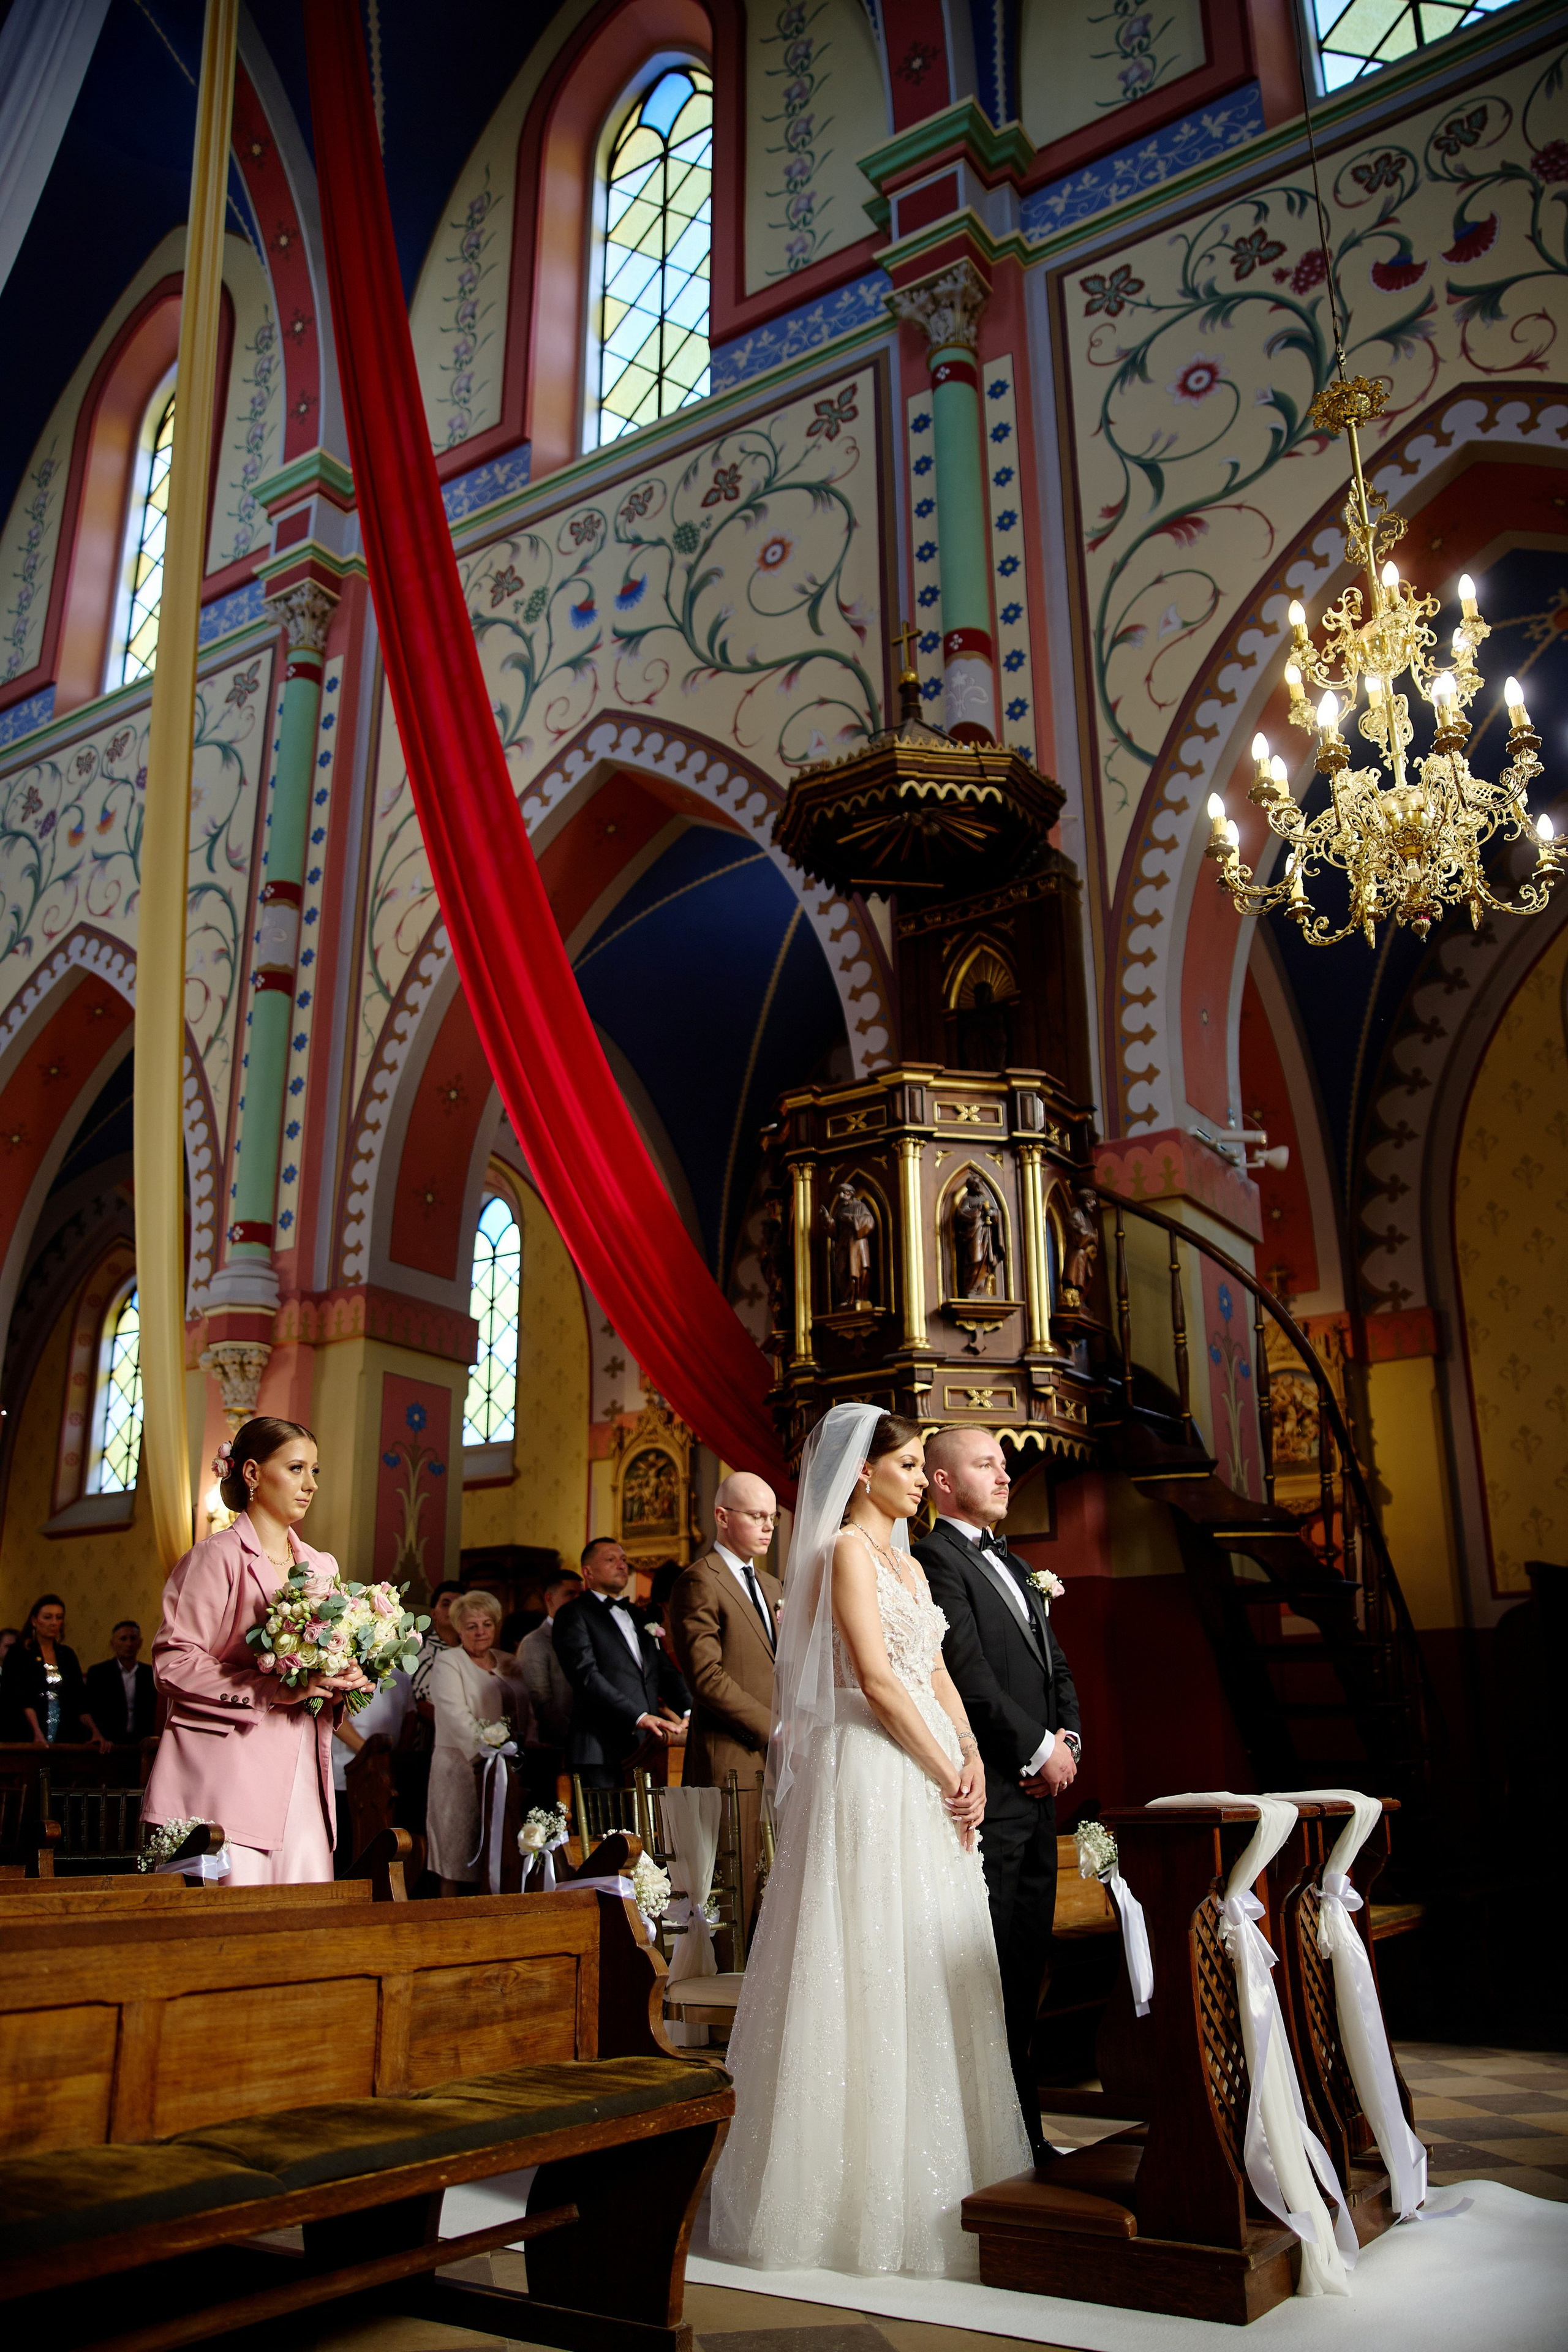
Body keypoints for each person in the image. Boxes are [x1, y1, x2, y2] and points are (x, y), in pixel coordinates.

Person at [709, 1405, 1029, 2277]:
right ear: (862, 1472)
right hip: (873, 1772)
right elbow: (880, 1683)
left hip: (927, 1770)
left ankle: (952, 2175)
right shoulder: (846, 1553)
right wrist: (938, 1766)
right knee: (866, 1964)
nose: (924, 1477)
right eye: (913, 1464)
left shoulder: (909, 1566)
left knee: (930, 1963)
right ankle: (853, 2204)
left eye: (928, 1465)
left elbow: (933, 1672)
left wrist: (969, 1760)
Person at [914, 1425, 1082, 2162]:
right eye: (987, 1465)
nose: (1005, 1476)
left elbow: (1058, 1667)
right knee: (992, 1975)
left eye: (1005, 1465)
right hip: (992, 1799)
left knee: (1027, 1971)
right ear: (944, 1482)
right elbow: (967, 1673)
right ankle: (1003, 2140)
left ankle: (1025, 2132)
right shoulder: (933, 1558)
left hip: (1040, 1797)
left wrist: (1068, 1739)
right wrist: (1038, 1749)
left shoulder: (1015, 1562)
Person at [141, 1419, 371, 1885]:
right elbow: (174, 1662)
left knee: (302, 1920)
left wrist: (347, 1677)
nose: (310, 1485)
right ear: (251, 1473)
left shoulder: (321, 1565)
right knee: (234, 1922)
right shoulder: (216, 1557)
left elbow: (320, 1662)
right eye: (296, 1468)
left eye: (316, 1471)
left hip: (304, 1768)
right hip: (228, 1769)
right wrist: (268, 1690)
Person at [667, 1473, 779, 1920]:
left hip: (779, 1757)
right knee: (735, 1880)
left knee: (776, 1873)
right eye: (757, 1516)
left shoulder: (772, 1587)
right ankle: (729, 1983)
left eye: (772, 1517)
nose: (769, 1526)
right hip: (731, 1752)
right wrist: (776, 1727)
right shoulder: (700, 1581)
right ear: (722, 1517)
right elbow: (706, 1677)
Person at [552, 1538, 690, 1789]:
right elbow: (587, 1677)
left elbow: (665, 1673)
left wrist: (690, 1712)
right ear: (588, 1572)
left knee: (647, 1827)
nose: (622, 1565)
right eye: (611, 1559)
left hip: (647, 1747)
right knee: (606, 1829)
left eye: (624, 1560)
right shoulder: (573, 1614)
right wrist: (639, 1717)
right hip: (599, 1750)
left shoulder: (640, 1616)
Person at [426, 1589, 533, 1893]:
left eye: (487, 1624)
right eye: (471, 1626)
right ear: (459, 1629)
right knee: (457, 1850)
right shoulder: (449, 1662)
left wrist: (528, 1744)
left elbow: (529, 1710)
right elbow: (454, 1713)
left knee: (501, 1850)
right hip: (460, 1767)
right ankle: (449, 1922)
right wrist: (486, 1751)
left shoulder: (509, 1662)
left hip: (509, 1770)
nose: (481, 1632)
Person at [0, 1594, 108, 1749]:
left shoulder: (66, 1655)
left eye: (59, 1618)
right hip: (26, 1729)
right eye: (48, 1617)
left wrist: (95, 1732)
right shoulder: (20, 1653)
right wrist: (37, 1732)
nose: (53, 1623)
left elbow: (79, 1698)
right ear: (34, 1621)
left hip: (64, 1728)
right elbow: (21, 1697)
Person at [516, 1568, 582, 1751]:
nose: (578, 1599)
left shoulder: (586, 1636)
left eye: (581, 1594)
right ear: (549, 1598)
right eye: (570, 1594)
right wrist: (577, 1737)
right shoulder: (535, 1642)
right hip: (557, 1745)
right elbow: (540, 1701)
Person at [85, 1619, 157, 1744]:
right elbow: (91, 1709)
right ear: (113, 1643)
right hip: (109, 1742)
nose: (129, 1644)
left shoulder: (150, 1674)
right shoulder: (99, 1673)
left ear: (140, 1643)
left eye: (133, 1639)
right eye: (123, 1639)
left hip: (142, 1742)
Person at [410, 1580, 465, 1702]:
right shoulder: (420, 1649)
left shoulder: (471, 1651)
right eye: (446, 1604)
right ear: (434, 1613)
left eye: (459, 1606)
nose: (453, 1610)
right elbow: (425, 1701)